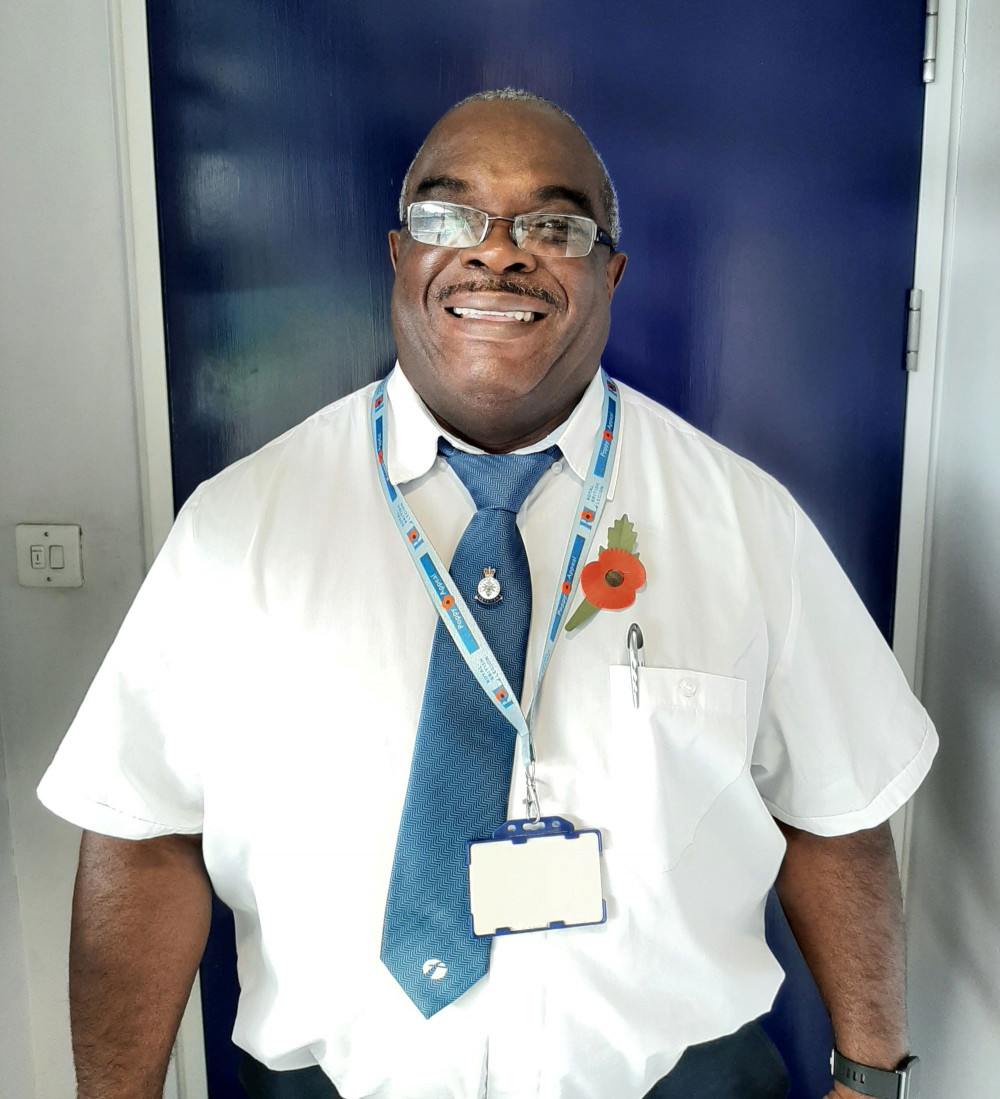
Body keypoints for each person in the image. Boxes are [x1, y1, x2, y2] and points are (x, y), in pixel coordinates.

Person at [39, 89, 936, 1099]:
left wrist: (872, 1075)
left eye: (553, 225)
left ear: (612, 273)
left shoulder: (746, 524)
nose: (497, 251)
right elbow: (142, 827)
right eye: (448, 214)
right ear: (398, 255)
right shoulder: (236, 529)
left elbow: (839, 810)